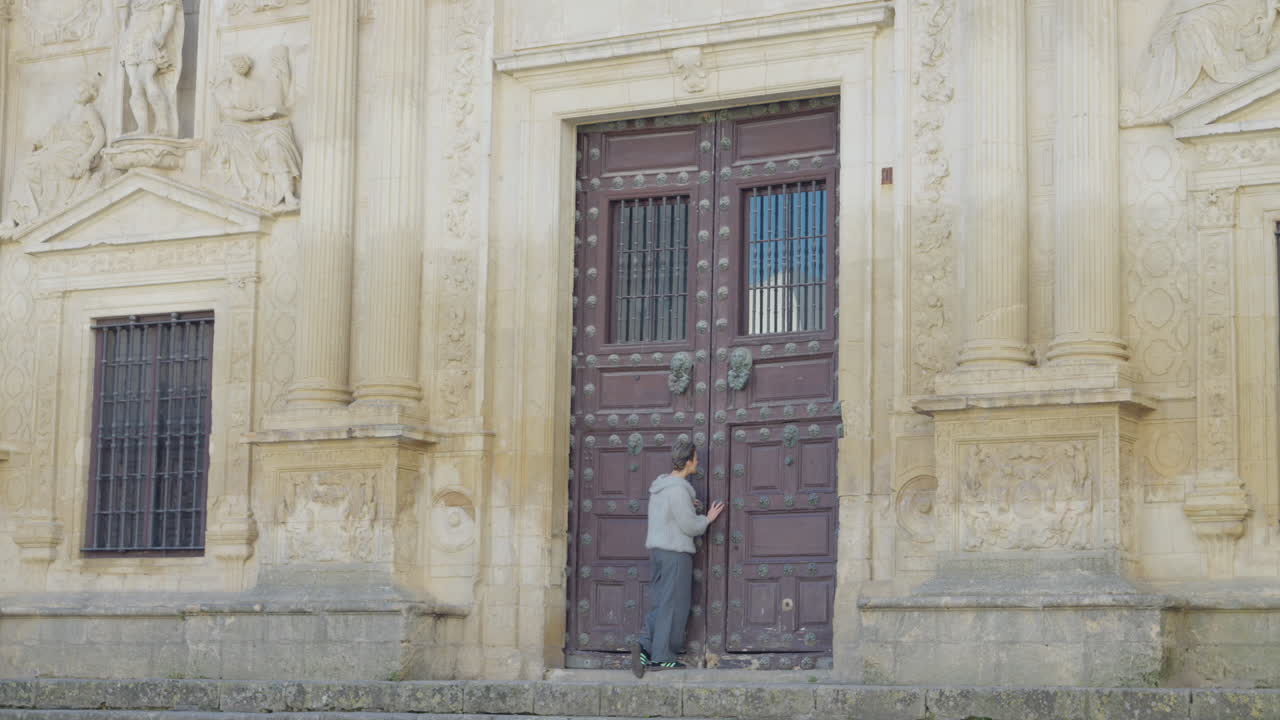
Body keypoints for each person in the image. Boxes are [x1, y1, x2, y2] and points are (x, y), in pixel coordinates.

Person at [631, 438, 725, 677]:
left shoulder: (661, 487)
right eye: (696, 458)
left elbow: (670, 515)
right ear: (687, 461)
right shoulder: (678, 490)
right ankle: (663, 657)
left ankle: (644, 646)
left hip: (659, 552)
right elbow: (689, 526)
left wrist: (688, 505)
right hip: (676, 553)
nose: (698, 461)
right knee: (674, 605)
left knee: (662, 602)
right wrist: (708, 518)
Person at [117, 0, 183, 137]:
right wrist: (124, 35)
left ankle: (163, 124)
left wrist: (162, 34)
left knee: (147, 79)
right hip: (133, 37)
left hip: (150, 35)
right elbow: (126, 16)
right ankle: (142, 128)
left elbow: (169, 15)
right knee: (134, 86)